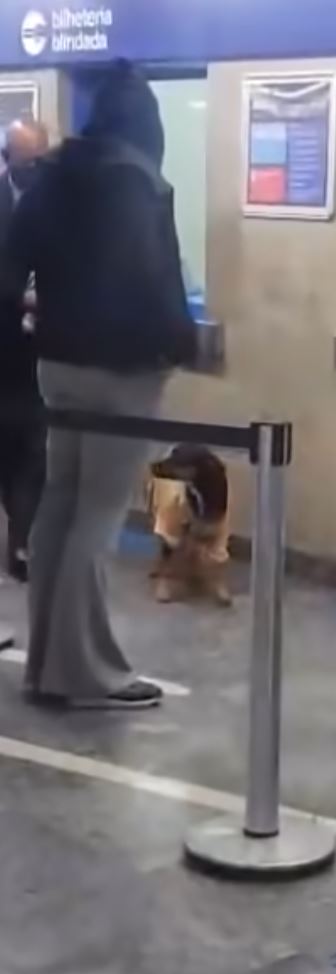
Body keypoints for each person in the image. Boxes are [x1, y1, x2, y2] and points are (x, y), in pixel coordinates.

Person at [0, 61, 196, 708]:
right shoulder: (140, 182)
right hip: (123, 370)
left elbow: (10, 263)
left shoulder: (51, 177)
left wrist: (38, 315)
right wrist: (178, 343)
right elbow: (155, 278)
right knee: (98, 516)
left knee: (59, 505)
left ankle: (46, 668)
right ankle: (88, 673)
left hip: (55, 365)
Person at [0, 120, 49, 581]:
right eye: (28, 160)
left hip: (40, 353)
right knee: (9, 450)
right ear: (8, 157)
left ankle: (22, 541)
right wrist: (19, 296)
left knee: (36, 450)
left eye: (42, 158)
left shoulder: (57, 201)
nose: (36, 168)